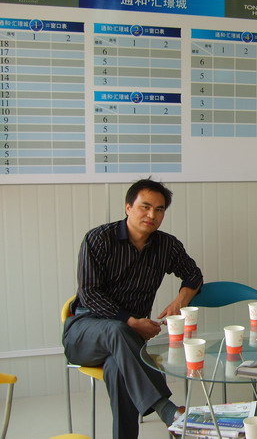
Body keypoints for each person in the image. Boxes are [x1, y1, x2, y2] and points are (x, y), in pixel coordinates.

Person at [62, 178, 204, 439]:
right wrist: (130, 321)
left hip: (127, 341)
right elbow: (89, 293)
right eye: (145, 207)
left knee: (118, 369)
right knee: (116, 330)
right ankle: (167, 411)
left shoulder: (167, 245)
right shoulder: (98, 239)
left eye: (159, 209)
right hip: (84, 333)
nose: (151, 215)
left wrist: (179, 301)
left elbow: (193, 275)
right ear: (128, 207)